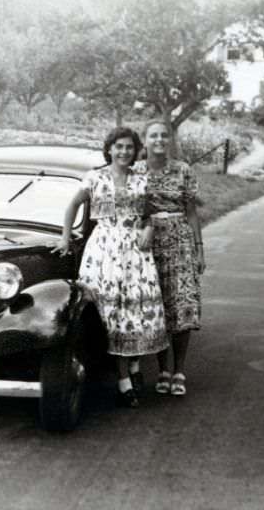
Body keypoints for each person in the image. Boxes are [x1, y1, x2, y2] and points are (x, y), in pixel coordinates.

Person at [53, 127, 168, 408]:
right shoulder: (95, 177)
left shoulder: (142, 179)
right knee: (110, 311)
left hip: (135, 253)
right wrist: (65, 238)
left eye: (129, 147)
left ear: (135, 150)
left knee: (135, 309)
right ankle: (123, 380)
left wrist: (150, 229)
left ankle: (133, 365)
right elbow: (72, 207)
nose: (124, 152)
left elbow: (151, 214)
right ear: (110, 149)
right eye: (119, 147)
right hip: (104, 251)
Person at [133, 119, 205, 397]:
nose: (160, 140)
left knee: (182, 304)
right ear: (145, 140)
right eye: (154, 136)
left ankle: (180, 370)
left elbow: (191, 212)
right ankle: (162, 369)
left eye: (164, 135)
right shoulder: (135, 171)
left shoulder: (183, 170)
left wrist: (199, 248)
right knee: (157, 305)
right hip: (148, 242)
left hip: (180, 242)